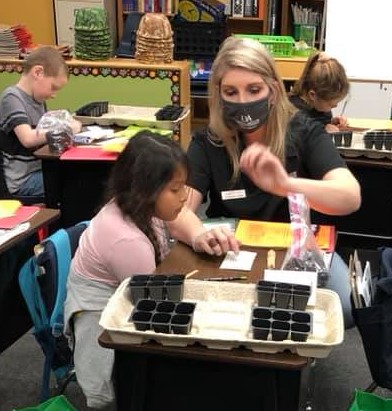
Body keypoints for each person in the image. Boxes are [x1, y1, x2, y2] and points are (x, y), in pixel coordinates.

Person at [167, 37, 361, 326]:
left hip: (296, 248)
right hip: (233, 250)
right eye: (231, 92)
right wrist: (197, 234)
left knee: (346, 307)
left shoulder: (304, 130)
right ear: (218, 95)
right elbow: (176, 208)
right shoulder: (209, 141)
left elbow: (350, 196)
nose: (243, 102)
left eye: (254, 89)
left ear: (272, 90)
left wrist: (286, 185)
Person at [64, 132, 238, 409]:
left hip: (130, 301)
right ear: (144, 189)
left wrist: (198, 236)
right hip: (109, 338)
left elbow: (180, 216)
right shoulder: (128, 240)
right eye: (175, 189)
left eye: (184, 186)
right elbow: (156, 312)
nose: (184, 197)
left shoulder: (135, 205)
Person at [0, 46, 81, 197]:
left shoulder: (38, 100)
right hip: (23, 181)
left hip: (41, 170)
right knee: (76, 184)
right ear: (38, 72)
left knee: (82, 175)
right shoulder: (11, 98)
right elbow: (29, 139)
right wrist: (65, 128)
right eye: (53, 88)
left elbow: (44, 137)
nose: (54, 95)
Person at [288, 51, 349, 132]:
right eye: (330, 104)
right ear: (313, 95)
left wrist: (333, 122)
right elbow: (298, 136)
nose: (335, 106)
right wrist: (322, 131)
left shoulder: (319, 105)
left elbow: (319, 120)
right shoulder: (294, 112)